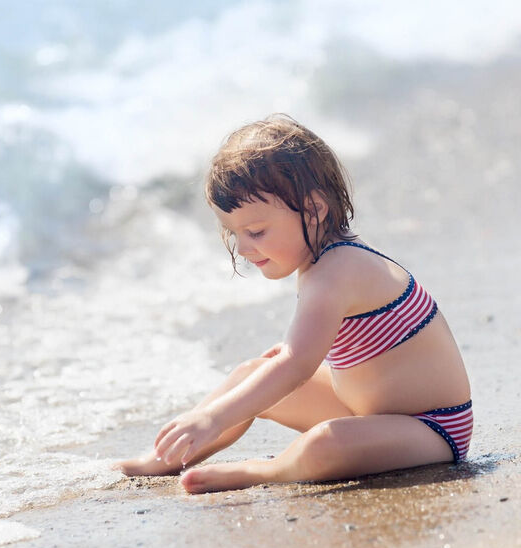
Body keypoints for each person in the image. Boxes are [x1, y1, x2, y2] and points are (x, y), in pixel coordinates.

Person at [113, 114, 473, 494]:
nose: (243, 248)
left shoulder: (336, 270)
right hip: (367, 413)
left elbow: (297, 365)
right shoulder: (325, 260)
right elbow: (337, 350)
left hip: (430, 429)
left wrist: (216, 417)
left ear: (314, 210)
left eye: (256, 232)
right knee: (251, 374)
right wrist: (289, 358)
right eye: (234, 233)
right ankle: (167, 456)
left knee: (324, 444)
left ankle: (265, 471)